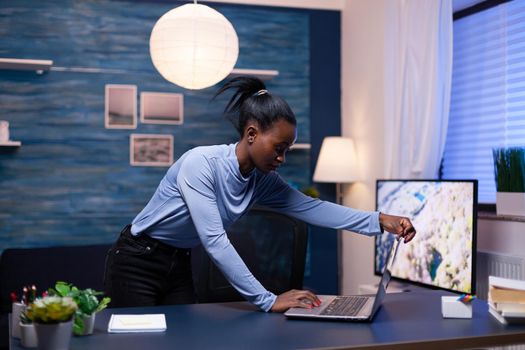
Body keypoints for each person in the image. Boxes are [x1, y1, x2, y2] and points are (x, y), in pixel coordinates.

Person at [104, 76, 416, 313]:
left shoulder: (263, 180)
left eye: (287, 150)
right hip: (137, 260)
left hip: (179, 262)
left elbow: (313, 208)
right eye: (278, 149)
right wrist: (266, 300)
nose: (281, 158)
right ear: (252, 134)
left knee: (184, 340)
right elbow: (214, 240)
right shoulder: (200, 164)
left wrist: (380, 220)